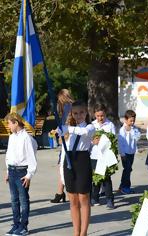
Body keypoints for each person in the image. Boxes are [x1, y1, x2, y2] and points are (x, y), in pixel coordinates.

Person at [57, 100, 95, 236]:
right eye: (75, 113)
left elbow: (83, 132)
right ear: (71, 114)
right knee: (72, 199)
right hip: (69, 163)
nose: (78, 115)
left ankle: (84, 232)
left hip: (82, 162)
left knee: (83, 198)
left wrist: (67, 128)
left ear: (86, 113)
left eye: (81, 112)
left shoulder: (90, 127)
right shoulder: (67, 129)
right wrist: (62, 172)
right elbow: (64, 151)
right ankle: (76, 232)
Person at [4, 112, 38, 236]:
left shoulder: (27, 138)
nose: (8, 127)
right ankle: (16, 224)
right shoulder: (12, 137)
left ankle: (24, 226)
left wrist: (29, 175)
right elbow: (8, 155)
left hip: (22, 172)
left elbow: (31, 158)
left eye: (9, 124)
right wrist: (8, 171)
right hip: (12, 170)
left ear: (16, 123)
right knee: (14, 200)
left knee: (23, 199)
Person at [50, 89, 74, 203]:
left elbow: (66, 123)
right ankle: (60, 192)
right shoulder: (70, 106)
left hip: (68, 138)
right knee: (63, 165)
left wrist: (60, 132)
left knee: (64, 166)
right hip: (68, 136)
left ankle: (62, 193)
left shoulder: (68, 107)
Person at [90, 104, 116, 208]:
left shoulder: (110, 125)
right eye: (98, 116)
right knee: (96, 178)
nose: (100, 118)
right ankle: (94, 198)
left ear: (105, 114)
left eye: (102, 116)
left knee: (106, 179)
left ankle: (110, 200)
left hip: (106, 155)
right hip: (94, 156)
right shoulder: (92, 125)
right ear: (94, 115)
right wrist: (93, 142)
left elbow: (113, 139)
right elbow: (88, 140)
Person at [118, 110, 141, 194]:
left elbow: (137, 138)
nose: (132, 122)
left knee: (128, 169)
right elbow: (120, 143)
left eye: (133, 120)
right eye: (130, 121)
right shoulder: (122, 130)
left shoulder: (134, 128)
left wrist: (135, 132)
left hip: (132, 152)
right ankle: (125, 187)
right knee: (127, 169)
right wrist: (122, 154)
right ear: (125, 120)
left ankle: (122, 185)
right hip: (125, 153)